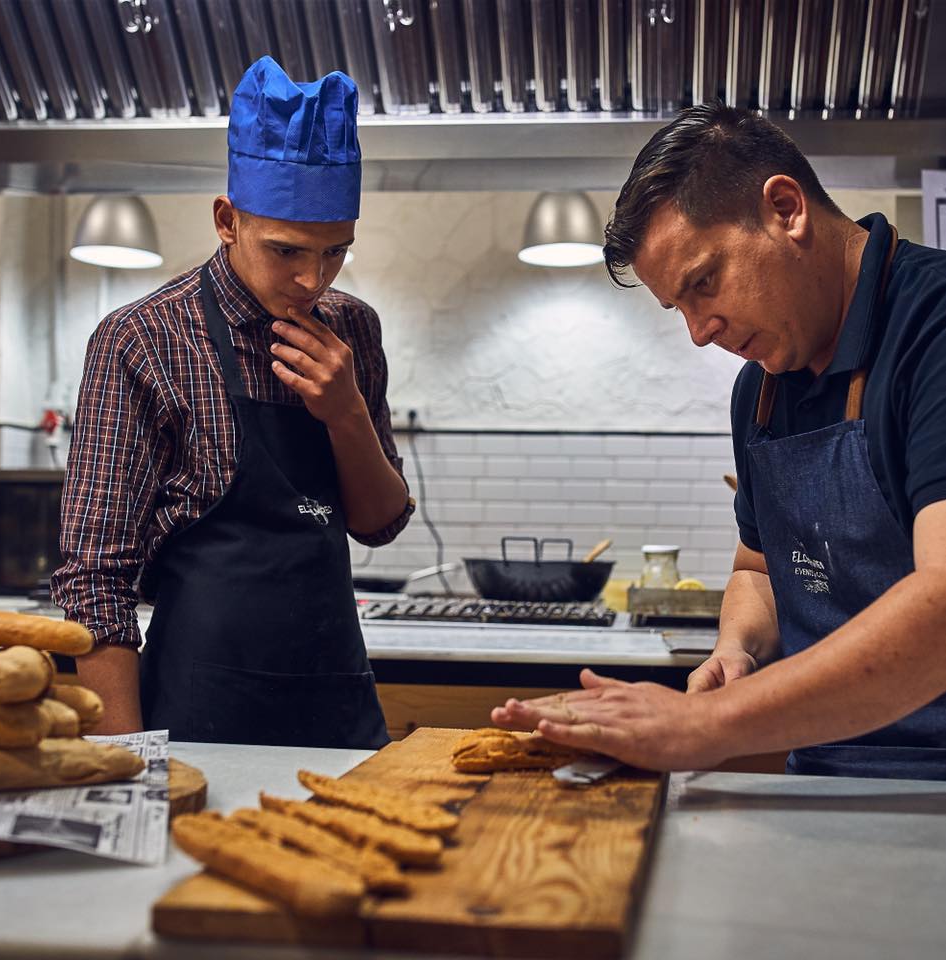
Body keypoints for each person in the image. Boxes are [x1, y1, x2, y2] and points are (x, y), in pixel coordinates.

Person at [492, 103, 946, 780]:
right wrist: (737, 648)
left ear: (785, 208)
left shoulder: (930, 326)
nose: (700, 331)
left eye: (704, 283)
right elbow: (758, 568)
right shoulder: (763, 386)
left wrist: (705, 725)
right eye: (679, 306)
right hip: (827, 781)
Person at [52, 57, 413, 748]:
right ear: (228, 220)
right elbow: (94, 575)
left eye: (336, 251)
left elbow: (378, 523)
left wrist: (345, 413)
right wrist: (130, 766)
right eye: (287, 251)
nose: (312, 279)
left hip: (337, 703)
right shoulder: (143, 339)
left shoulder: (354, 330)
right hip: (194, 710)